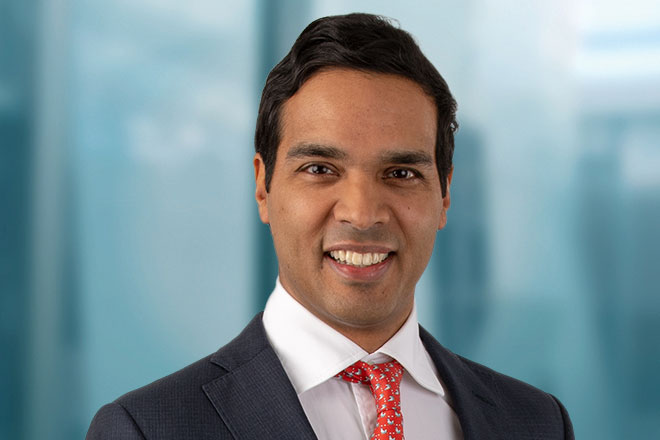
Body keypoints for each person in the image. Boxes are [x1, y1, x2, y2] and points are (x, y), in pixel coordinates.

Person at [86, 13, 574, 440]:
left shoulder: (537, 422)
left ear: (444, 194)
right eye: (320, 169)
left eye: (400, 174)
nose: (362, 214)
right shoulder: (148, 429)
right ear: (263, 187)